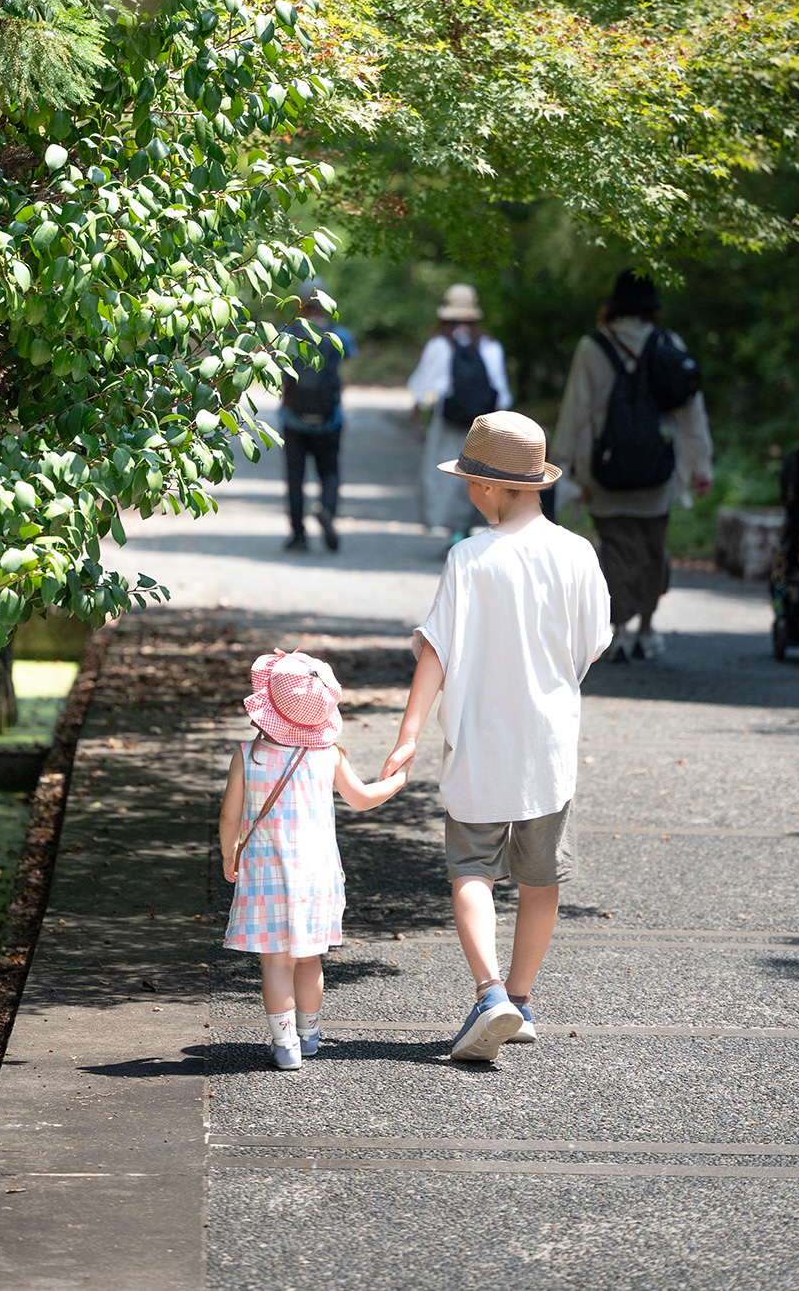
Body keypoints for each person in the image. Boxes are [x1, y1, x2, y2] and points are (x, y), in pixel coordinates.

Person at [380, 411, 611, 1062]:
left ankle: (489, 995)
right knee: (540, 880)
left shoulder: (468, 559)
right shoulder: (576, 553)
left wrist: (407, 736)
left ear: (486, 488)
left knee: (470, 871)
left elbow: (436, 653)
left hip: (481, 743)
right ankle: (522, 997)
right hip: (549, 746)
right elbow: (593, 641)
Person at [220, 648, 406, 1069]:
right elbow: (361, 798)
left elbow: (229, 818)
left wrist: (228, 854)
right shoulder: (329, 755)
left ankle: (284, 1046)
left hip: (267, 873)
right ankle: (310, 1035)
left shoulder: (247, 758)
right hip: (318, 874)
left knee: (275, 962)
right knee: (308, 959)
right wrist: (396, 782)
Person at [552, 270, 713, 661]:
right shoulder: (668, 343)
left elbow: (576, 409)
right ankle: (646, 627)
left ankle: (619, 629)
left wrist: (559, 464)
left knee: (615, 551)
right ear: (653, 308)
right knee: (652, 548)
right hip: (658, 468)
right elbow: (690, 410)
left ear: (614, 304)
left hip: (604, 468)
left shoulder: (593, 347)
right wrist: (700, 464)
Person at [407, 283, 512, 545]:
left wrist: (419, 408)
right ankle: (468, 528)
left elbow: (423, 389)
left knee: (448, 474)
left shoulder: (440, 344)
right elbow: (503, 392)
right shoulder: (490, 346)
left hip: (450, 421)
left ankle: (454, 531)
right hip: (485, 424)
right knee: (480, 475)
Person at [279, 284, 357, 553]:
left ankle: (298, 536)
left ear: (299, 305)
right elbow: (345, 363)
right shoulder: (340, 334)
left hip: (293, 417)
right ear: (325, 305)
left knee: (295, 478)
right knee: (330, 471)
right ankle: (327, 510)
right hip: (329, 417)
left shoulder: (287, 333)